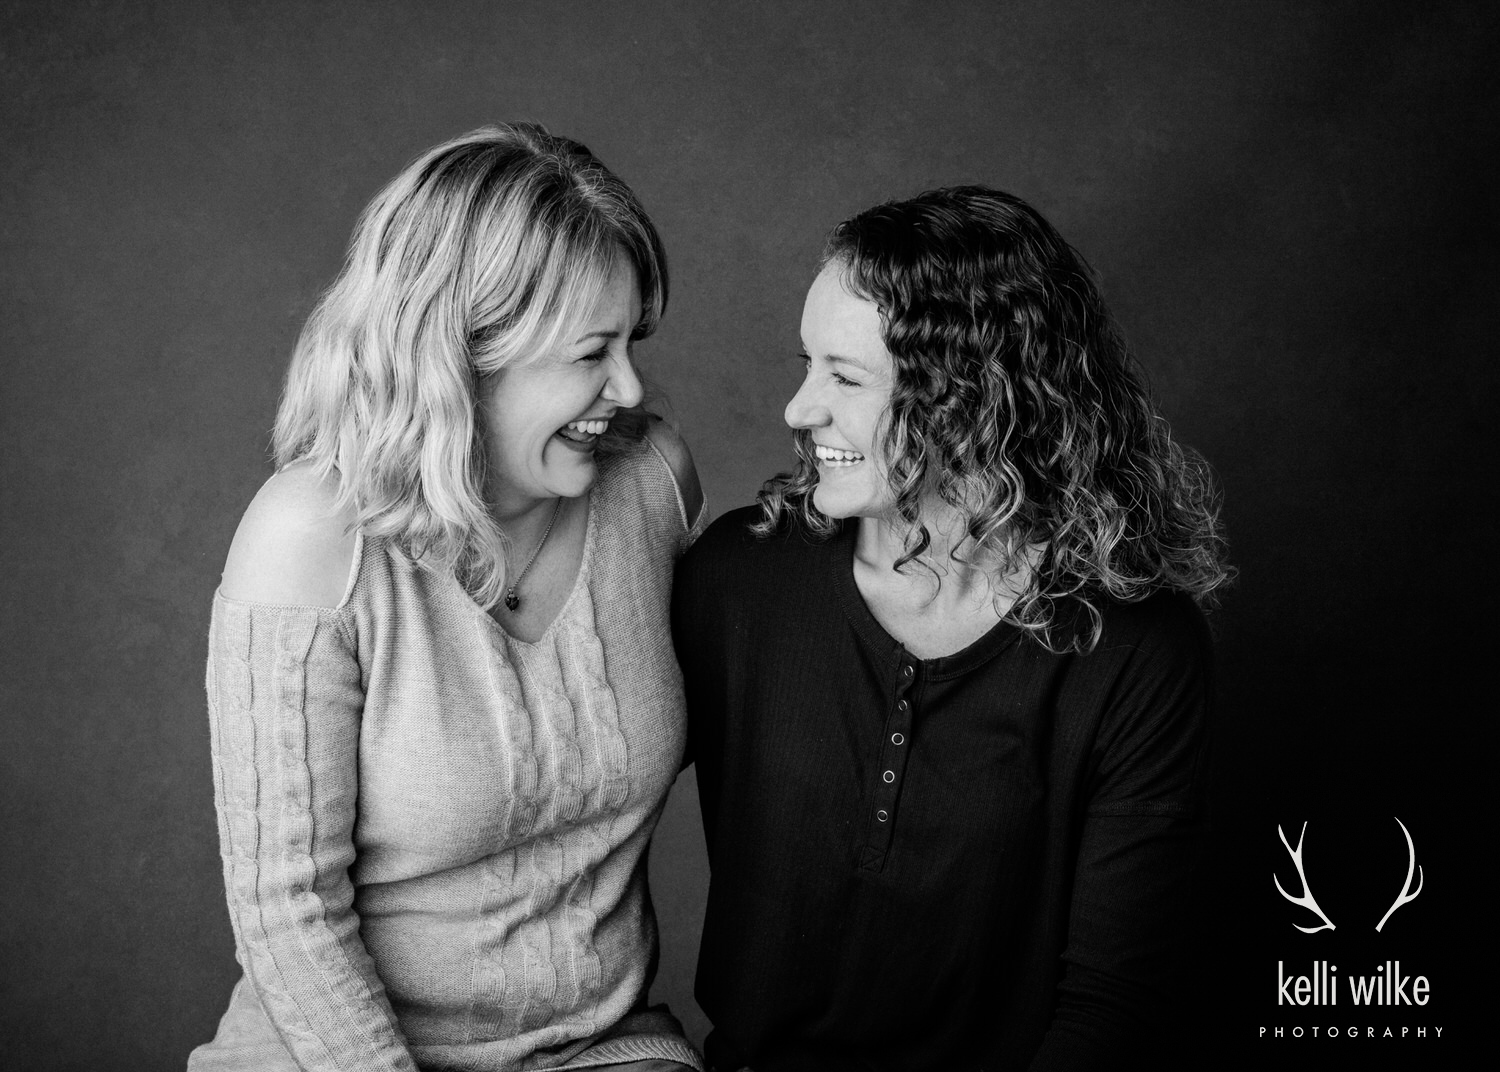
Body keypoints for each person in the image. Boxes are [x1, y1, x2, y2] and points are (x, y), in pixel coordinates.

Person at [674, 186, 1232, 1071]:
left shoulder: (1133, 648)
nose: (798, 409)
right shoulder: (737, 581)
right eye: (806, 363)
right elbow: (568, 808)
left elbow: (1110, 1007)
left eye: (846, 377)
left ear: (974, 398)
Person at [190, 124, 705, 1072]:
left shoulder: (652, 486)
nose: (629, 388)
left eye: (633, 342)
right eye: (591, 353)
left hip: (600, 1052)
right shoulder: (312, 537)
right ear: (458, 354)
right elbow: (286, 915)